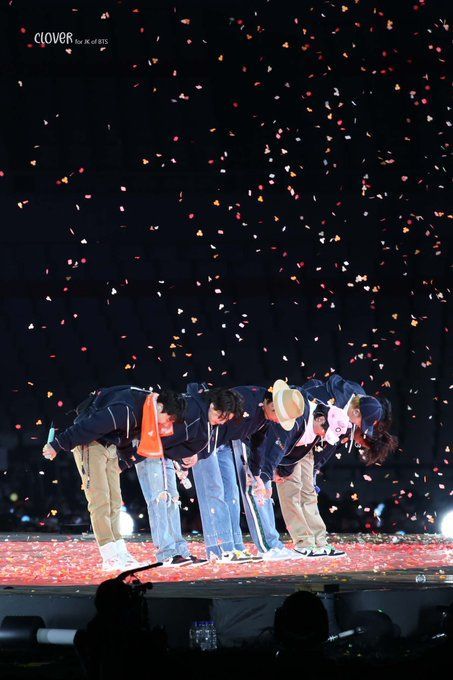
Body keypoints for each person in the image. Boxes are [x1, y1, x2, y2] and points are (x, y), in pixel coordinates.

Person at [42, 385, 202, 570]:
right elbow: (87, 426)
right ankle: (108, 555)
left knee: (115, 502)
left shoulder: (146, 410)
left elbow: (126, 436)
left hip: (110, 447)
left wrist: (124, 462)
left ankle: (119, 550)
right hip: (90, 444)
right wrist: (57, 444)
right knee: (100, 500)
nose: (167, 424)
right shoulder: (125, 409)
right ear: (160, 407)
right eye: (169, 418)